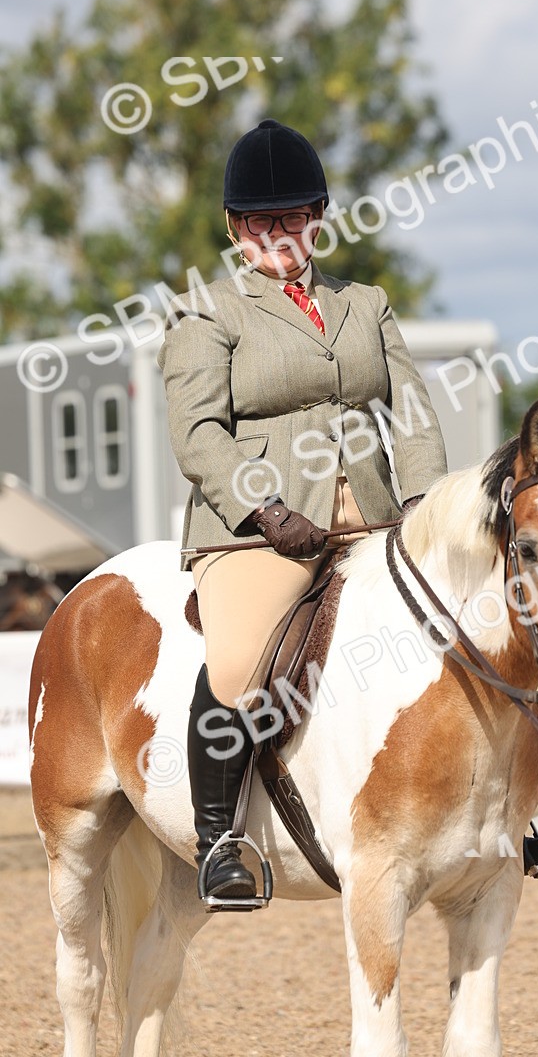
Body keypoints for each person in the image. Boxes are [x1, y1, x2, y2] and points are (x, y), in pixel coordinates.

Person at [156, 118, 449, 905]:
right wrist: (264, 508)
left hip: (374, 520)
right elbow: (198, 435)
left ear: (318, 216)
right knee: (242, 664)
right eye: (260, 220)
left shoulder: (367, 303)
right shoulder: (208, 314)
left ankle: (491, 818)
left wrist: (424, 506)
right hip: (262, 534)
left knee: (462, 625)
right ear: (234, 228)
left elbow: (412, 413)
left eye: (292, 216)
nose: (277, 232)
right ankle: (220, 840)